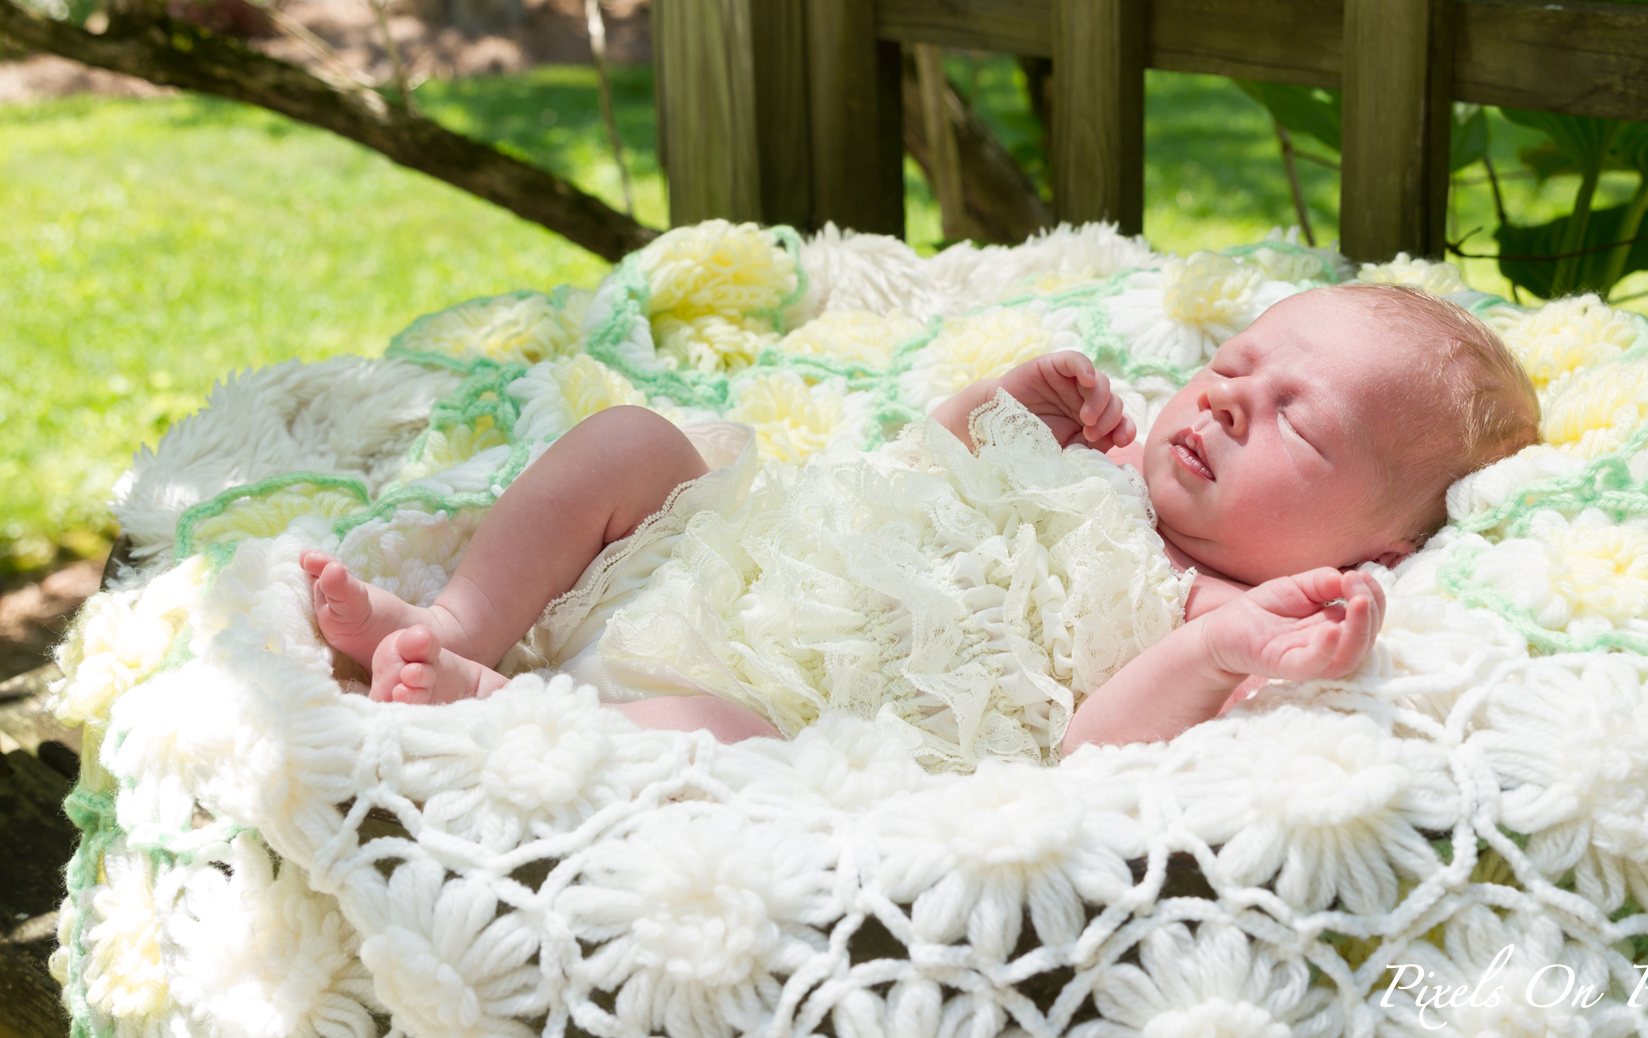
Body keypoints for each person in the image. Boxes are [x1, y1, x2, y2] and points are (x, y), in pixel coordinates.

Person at [299, 284, 1539, 755]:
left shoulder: (1218, 611)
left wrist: (1225, 650)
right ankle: (460, 614)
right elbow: (909, 469)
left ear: (1374, 547)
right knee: (636, 443)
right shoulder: (1092, 454)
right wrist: (994, 405)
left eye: (1297, 424)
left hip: (785, 705)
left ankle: (501, 709)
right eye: (1231, 361)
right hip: (720, 568)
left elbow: (1093, 754)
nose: (1223, 401)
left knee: (720, 740)